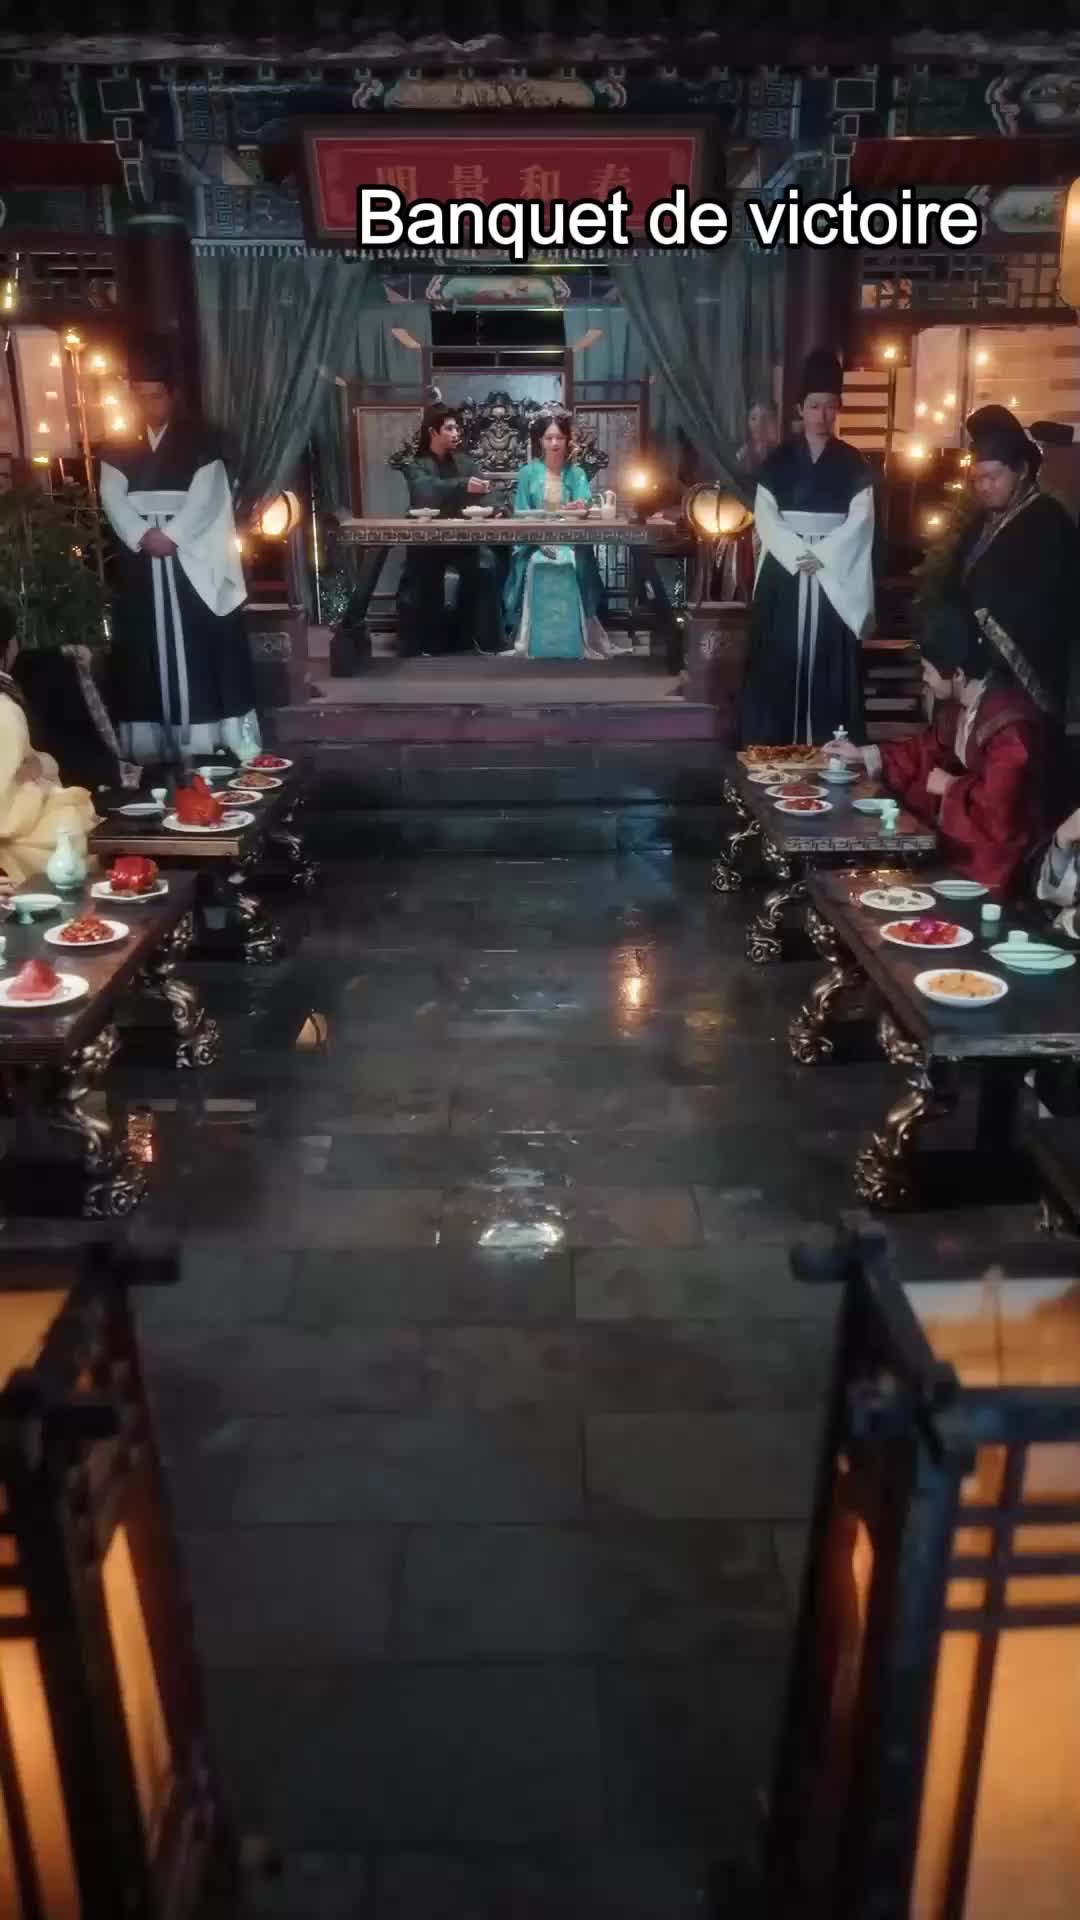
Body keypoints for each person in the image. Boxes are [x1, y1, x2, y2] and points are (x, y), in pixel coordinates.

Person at [99, 342, 260, 765]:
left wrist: (171, 535)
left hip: (191, 556)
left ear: (171, 395)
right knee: (143, 646)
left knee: (203, 641)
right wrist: (141, 534)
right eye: (139, 396)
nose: (147, 404)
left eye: (155, 395)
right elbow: (112, 496)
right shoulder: (116, 446)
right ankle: (152, 746)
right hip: (141, 560)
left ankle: (212, 739)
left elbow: (208, 497)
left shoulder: (203, 442)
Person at [831, 610, 1050, 894]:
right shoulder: (960, 708)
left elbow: (1001, 809)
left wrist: (951, 786)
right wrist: (862, 755)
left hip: (999, 856)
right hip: (965, 836)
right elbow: (924, 750)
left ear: (957, 674)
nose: (924, 678)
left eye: (928, 670)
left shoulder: (1012, 728)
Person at [739, 348, 874, 747]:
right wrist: (798, 554)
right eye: (815, 406)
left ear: (838, 409)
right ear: (800, 409)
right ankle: (775, 743)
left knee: (829, 653)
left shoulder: (853, 462)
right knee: (780, 650)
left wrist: (825, 555)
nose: (822, 415)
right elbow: (766, 515)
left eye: (830, 406)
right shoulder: (778, 460)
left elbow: (862, 518)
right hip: (788, 566)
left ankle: (831, 746)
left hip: (832, 568)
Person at [0, 604, 97, 889]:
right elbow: (7, 813)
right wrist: (40, 776)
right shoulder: (4, 711)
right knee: (69, 824)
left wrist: (39, 765)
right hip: (14, 849)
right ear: (9, 646)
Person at [502, 413, 613, 659]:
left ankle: (575, 641)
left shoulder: (576, 473)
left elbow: (585, 504)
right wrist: (540, 540)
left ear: (567, 440)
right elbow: (521, 513)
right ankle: (534, 641)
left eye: (559, 438)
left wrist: (580, 507)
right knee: (536, 563)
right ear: (540, 441)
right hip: (535, 543)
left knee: (571, 562)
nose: (554, 443)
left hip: (570, 542)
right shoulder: (527, 473)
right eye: (549, 438)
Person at [396, 405, 502, 658]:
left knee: (486, 564)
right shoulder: (417, 464)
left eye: (457, 428)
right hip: (428, 541)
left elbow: (486, 490)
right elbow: (424, 492)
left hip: (463, 539)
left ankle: (479, 639)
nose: (456, 433)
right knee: (425, 572)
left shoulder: (464, 462)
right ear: (433, 432)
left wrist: (497, 507)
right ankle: (428, 643)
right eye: (449, 428)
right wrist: (462, 485)